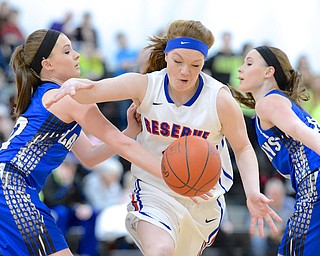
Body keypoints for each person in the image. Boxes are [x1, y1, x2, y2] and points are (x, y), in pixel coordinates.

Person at [46, 20, 282, 256]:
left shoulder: (219, 99)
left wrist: (252, 192)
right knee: (160, 250)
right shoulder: (146, 85)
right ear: (166, 55)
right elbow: (95, 90)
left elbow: (242, 148)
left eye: (195, 64)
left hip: (202, 198)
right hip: (154, 189)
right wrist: (73, 84)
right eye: (178, 61)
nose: (185, 71)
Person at [0, 28, 163, 256]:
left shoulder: (52, 97)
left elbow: (90, 156)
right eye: (67, 51)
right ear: (47, 64)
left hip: (10, 186)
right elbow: (121, 146)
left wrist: (129, 131)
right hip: (11, 186)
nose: (76, 55)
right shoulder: (68, 97)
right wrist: (168, 174)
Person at [230, 45, 320, 255]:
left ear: (269, 71)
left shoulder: (268, 102)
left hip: (314, 184)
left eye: (249, 63)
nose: (240, 69)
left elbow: (299, 131)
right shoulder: (277, 103)